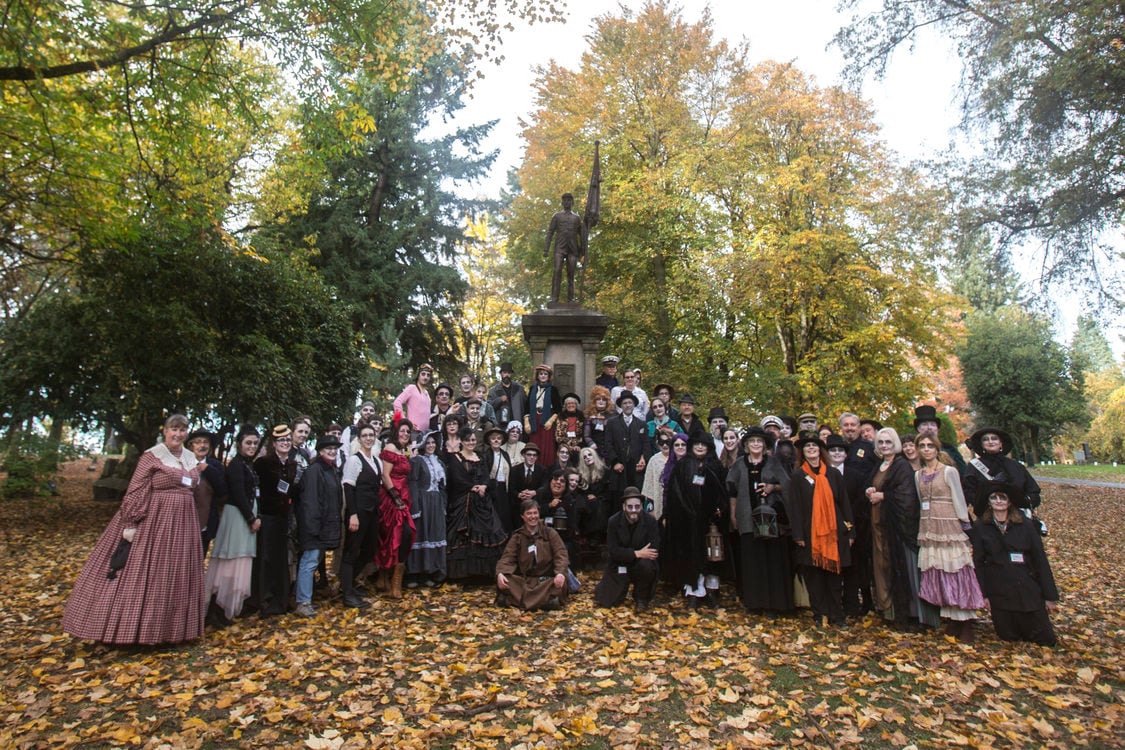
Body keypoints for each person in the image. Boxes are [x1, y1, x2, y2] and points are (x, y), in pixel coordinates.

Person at [63, 415, 206, 645]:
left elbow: (194, 489)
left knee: (173, 574)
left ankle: (169, 632)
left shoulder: (190, 458)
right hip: (155, 521)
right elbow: (136, 489)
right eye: (173, 429)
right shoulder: (152, 456)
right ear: (165, 431)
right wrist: (131, 522)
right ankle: (129, 630)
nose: (177, 434)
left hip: (183, 523)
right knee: (144, 573)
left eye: (182, 430)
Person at [914, 435, 985, 642]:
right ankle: (952, 616)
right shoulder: (918, 475)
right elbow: (921, 501)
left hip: (949, 525)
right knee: (938, 570)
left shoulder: (949, 472)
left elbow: (958, 499)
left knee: (956, 569)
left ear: (937, 449)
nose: (926, 449)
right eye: (922, 446)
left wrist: (964, 524)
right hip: (929, 526)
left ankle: (966, 620)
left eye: (930, 446)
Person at [866, 427, 937, 629]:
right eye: (881, 442)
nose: (884, 446)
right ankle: (890, 611)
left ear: (895, 443)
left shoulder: (901, 466)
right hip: (879, 526)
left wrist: (884, 496)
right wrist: (870, 490)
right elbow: (876, 486)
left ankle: (911, 616)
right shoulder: (879, 465)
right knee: (883, 568)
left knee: (904, 569)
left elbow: (907, 496)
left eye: (888, 442)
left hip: (898, 529)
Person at [971, 486, 1059, 646]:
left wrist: (1050, 596)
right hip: (999, 589)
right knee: (1008, 636)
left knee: (1043, 638)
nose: (998, 501)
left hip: (1026, 585)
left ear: (1009, 501)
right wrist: (983, 595)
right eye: (994, 498)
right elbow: (979, 561)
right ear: (989, 502)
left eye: (1002, 497)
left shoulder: (1025, 525)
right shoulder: (981, 527)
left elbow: (1040, 559)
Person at [787, 432, 854, 627]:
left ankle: (837, 614)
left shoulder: (833, 474)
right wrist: (798, 534)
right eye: (807, 447)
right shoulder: (798, 476)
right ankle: (819, 613)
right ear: (803, 452)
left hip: (834, 534)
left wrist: (850, 530)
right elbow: (795, 508)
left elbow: (844, 503)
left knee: (834, 577)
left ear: (820, 450)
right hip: (810, 534)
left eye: (814, 446)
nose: (811, 449)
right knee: (814, 578)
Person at [727, 427, 793, 615]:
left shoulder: (773, 463)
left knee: (771, 561)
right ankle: (755, 603)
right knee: (752, 561)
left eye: (759, 441)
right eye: (752, 441)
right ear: (746, 445)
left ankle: (774, 604)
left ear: (764, 445)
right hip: (747, 517)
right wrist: (733, 514)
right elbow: (732, 489)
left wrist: (773, 487)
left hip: (770, 519)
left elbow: (787, 485)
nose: (755, 444)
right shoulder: (739, 464)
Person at [204, 426, 261, 626]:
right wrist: (251, 518)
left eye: (255, 443)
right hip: (237, 516)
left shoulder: (248, 464)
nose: (252, 446)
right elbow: (237, 493)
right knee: (229, 562)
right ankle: (215, 610)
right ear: (239, 444)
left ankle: (224, 610)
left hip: (246, 515)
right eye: (248, 443)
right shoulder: (237, 465)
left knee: (239, 561)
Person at [663, 434, 728, 608]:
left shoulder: (715, 466)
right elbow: (675, 493)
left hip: (710, 520)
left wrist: (718, 509)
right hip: (687, 520)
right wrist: (686, 511)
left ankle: (712, 591)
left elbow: (722, 492)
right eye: (697, 444)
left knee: (711, 556)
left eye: (703, 445)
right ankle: (694, 591)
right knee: (692, 555)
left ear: (708, 447)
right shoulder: (683, 465)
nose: (700, 447)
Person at [446, 427, 508, 580]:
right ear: (461, 441)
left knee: (489, 530)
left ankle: (485, 573)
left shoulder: (480, 456)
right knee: (465, 534)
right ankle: (465, 574)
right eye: (467, 440)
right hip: (465, 500)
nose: (470, 442)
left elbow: (486, 475)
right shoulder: (456, 458)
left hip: (482, 499)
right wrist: (471, 487)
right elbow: (456, 478)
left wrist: (484, 486)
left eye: (473, 440)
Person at [294, 434, 344, 617]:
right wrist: (313, 527)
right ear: (320, 451)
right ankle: (302, 601)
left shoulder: (331, 469)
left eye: (334, 448)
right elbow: (310, 501)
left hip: (325, 524)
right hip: (314, 526)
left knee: (313, 561)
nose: (332, 451)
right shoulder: (315, 470)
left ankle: (305, 598)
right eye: (328, 448)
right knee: (309, 561)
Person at [252, 425, 298, 616]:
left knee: (281, 559)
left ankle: (282, 600)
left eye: (288, 440)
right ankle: (265, 600)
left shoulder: (292, 464)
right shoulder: (263, 463)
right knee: (266, 558)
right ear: (274, 443)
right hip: (267, 515)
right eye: (281, 441)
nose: (285, 443)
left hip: (283, 517)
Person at [828, 434, 873, 618]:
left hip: (853, 527)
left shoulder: (856, 475)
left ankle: (852, 606)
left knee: (853, 568)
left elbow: (860, 501)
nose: (837, 454)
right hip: (829, 527)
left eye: (840, 450)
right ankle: (834, 606)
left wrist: (849, 523)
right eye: (833, 450)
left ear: (846, 454)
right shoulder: (822, 474)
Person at [496, 499, 570, 610]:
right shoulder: (518, 536)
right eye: (529, 513)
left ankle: (514, 599)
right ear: (523, 516)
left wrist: (560, 573)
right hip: (526, 581)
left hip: (545, 581)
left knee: (559, 584)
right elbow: (507, 557)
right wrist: (500, 573)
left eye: (535, 513)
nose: (533, 516)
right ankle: (545, 601)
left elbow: (561, 554)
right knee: (505, 579)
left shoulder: (550, 533)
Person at [595, 487, 661, 610]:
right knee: (606, 601)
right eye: (630, 507)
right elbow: (613, 551)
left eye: (637, 506)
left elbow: (653, 550)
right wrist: (637, 553)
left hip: (641, 565)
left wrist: (632, 554)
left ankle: (641, 597)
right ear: (624, 506)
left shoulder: (650, 521)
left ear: (642, 506)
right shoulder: (613, 521)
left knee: (647, 565)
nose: (634, 510)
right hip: (620, 564)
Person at [339, 424, 382, 609]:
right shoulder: (354, 461)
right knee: (351, 551)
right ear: (359, 438)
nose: (368, 438)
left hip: (372, 513)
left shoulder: (377, 461)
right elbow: (348, 488)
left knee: (369, 550)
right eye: (364, 435)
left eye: (371, 435)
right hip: (358, 512)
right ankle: (347, 593)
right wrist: (353, 515)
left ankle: (347, 583)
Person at [962, 426, 1042, 519]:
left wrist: (1024, 502)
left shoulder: (1016, 466)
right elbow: (969, 492)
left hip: (1018, 518)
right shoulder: (974, 467)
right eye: (986, 439)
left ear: (1001, 443)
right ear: (982, 444)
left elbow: (1033, 491)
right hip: (988, 519)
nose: (990, 442)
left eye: (994, 438)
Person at [377, 420, 416, 599]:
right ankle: (387, 579)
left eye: (408, 431)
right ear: (396, 431)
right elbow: (385, 475)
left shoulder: (403, 450)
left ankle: (393, 580)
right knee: (395, 534)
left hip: (404, 497)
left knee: (405, 535)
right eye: (403, 431)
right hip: (392, 497)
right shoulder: (391, 448)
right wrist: (395, 497)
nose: (406, 434)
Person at [406, 431, 447, 587]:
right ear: (423, 445)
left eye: (433, 443)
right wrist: (415, 505)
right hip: (422, 501)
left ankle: (428, 572)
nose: (431, 446)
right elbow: (413, 484)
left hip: (436, 502)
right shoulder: (417, 461)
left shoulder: (440, 462)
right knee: (420, 535)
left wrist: (443, 504)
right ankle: (413, 574)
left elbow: (443, 486)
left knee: (433, 534)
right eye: (428, 443)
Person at [188, 428, 227, 553]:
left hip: (205, 523)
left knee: (199, 559)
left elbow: (223, 491)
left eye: (205, 442)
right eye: (198, 442)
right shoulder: (183, 464)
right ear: (191, 446)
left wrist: (208, 470)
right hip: (184, 521)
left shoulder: (216, 466)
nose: (202, 445)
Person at [605, 391, 648, 504]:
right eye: (625, 403)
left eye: (630, 402)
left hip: (636, 468)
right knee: (619, 500)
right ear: (621, 405)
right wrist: (615, 462)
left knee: (636, 497)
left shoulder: (641, 424)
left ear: (634, 405)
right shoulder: (611, 423)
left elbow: (645, 444)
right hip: (619, 467)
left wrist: (643, 459)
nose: (628, 405)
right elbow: (608, 444)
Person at [544, 192, 587, 304]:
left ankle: (571, 299)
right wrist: (546, 249)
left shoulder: (577, 218)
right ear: (562, 202)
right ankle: (554, 298)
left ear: (572, 202)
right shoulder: (557, 216)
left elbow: (582, 236)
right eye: (565, 200)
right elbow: (550, 232)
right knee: (557, 270)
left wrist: (583, 253)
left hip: (573, 250)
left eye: (569, 200)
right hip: (560, 248)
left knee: (571, 273)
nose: (567, 202)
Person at [536, 470, 579, 566]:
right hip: (541, 536)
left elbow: (572, 525)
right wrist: (549, 506)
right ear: (550, 481)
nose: (558, 482)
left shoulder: (570, 500)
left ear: (565, 485)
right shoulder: (540, 494)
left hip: (562, 538)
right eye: (555, 479)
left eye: (562, 481)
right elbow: (533, 514)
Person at [524, 364, 561, 466]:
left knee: (547, 446)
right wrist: (527, 422)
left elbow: (558, 408)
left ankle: (546, 469)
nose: (543, 376)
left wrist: (551, 421)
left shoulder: (553, 390)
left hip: (547, 420)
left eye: (545, 374)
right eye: (541, 374)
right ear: (537, 376)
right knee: (535, 444)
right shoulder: (532, 389)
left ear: (549, 376)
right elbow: (527, 406)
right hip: (534, 420)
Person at [913, 404, 966, 474]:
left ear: (937, 429)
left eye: (933, 424)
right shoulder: (911, 451)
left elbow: (964, 473)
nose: (929, 427)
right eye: (925, 424)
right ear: (918, 429)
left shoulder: (950, 449)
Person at [482, 426, 513, 534]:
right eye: (493, 438)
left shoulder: (505, 455)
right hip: (492, 490)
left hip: (504, 488)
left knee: (504, 515)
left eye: (499, 438)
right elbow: (485, 473)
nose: (496, 440)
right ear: (489, 440)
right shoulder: (486, 455)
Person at [576, 446, 610, 542]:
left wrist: (597, 497)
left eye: (590, 455)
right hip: (585, 500)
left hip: (602, 500)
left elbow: (608, 492)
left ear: (594, 455)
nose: (588, 458)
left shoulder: (604, 471)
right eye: (585, 457)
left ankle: (596, 536)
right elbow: (580, 491)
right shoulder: (580, 473)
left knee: (597, 504)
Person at [392, 364, 433, 437]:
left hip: (425, 433)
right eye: (423, 374)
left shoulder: (427, 394)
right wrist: (405, 421)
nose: (425, 377)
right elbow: (397, 403)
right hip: (414, 432)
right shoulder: (412, 388)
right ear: (418, 375)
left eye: (428, 375)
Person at [641, 434, 672, 519]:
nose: (665, 445)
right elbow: (649, 486)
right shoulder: (653, 460)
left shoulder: (679, 458)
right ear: (658, 444)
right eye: (662, 442)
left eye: (667, 442)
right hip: (658, 501)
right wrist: (651, 508)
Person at [488, 362, 527, 427]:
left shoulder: (520, 389)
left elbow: (526, 406)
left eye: (509, 373)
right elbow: (488, 407)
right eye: (505, 373)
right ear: (501, 373)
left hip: (517, 425)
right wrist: (499, 400)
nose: (507, 375)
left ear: (511, 374)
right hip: (501, 425)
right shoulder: (493, 390)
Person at [583, 385, 614, 459]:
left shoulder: (613, 416)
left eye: (603, 399)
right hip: (593, 450)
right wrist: (592, 444)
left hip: (610, 450)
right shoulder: (589, 415)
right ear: (594, 401)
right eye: (598, 399)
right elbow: (586, 435)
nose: (601, 401)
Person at [553, 392, 585, 458]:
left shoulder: (582, 416)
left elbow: (584, 433)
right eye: (568, 404)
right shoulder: (560, 416)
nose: (570, 405)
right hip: (564, 445)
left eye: (572, 403)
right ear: (565, 405)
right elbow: (558, 434)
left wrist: (579, 445)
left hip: (578, 445)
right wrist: (565, 446)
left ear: (576, 405)